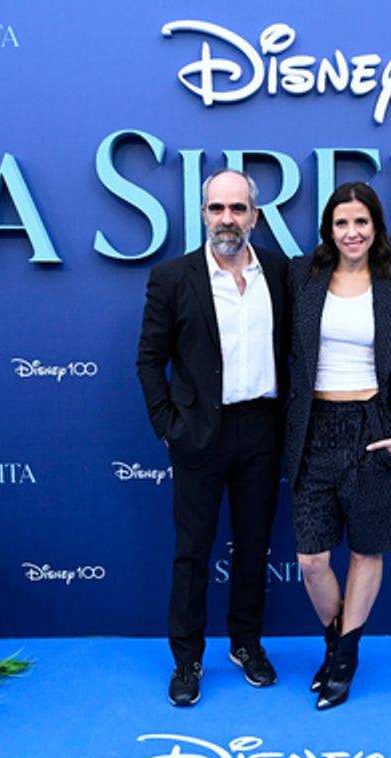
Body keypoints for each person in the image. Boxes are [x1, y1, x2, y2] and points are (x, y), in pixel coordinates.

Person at [136, 169, 288, 707]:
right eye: (217, 208)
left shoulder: (279, 271)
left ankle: (246, 645)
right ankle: (187, 660)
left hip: (262, 430)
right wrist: (167, 426)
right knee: (192, 553)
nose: (228, 218)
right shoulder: (172, 277)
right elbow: (150, 361)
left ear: (255, 216)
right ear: (203, 214)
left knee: (253, 548)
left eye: (238, 209)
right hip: (199, 434)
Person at [285, 181, 391, 710]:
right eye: (342, 223)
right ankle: (334, 638)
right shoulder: (302, 277)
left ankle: (344, 657)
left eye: (361, 222)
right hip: (312, 429)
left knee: (367, 549)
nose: (352, 232)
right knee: (312, 560)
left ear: (376, 228)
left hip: (374, 426)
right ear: (329, 229)